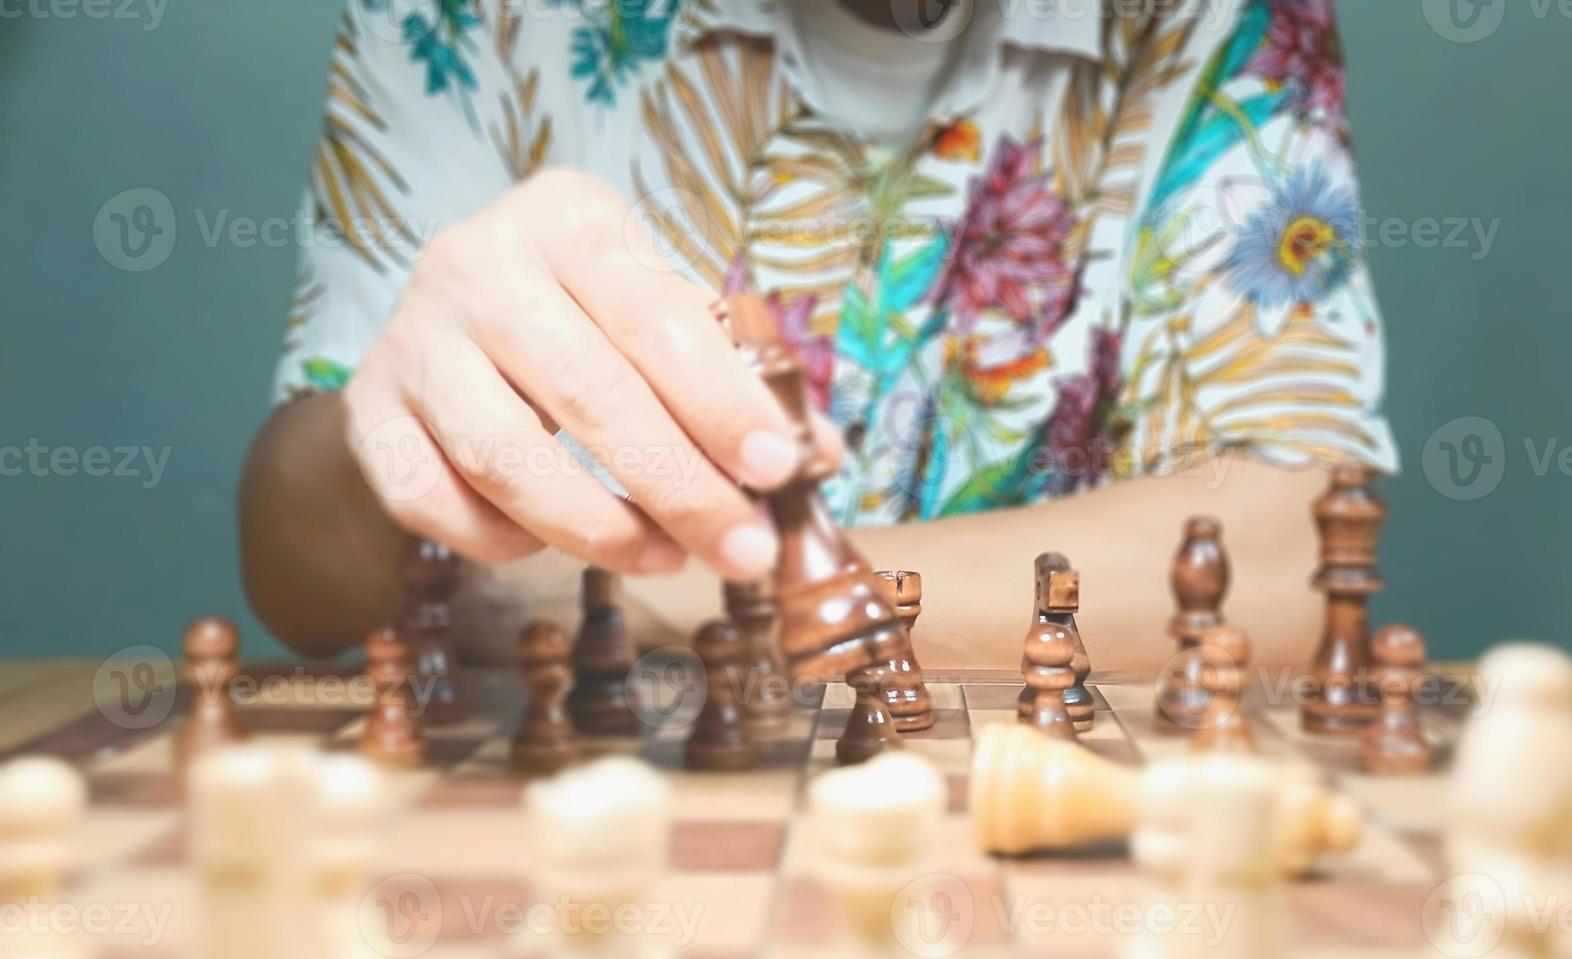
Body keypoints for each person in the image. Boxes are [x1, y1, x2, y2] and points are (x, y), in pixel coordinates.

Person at [240, 0, 1396, 672]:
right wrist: (384, 435)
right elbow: (298, 572)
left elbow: (1292, 551)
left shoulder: (1223, 22)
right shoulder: (465, 18)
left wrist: (635, 593)